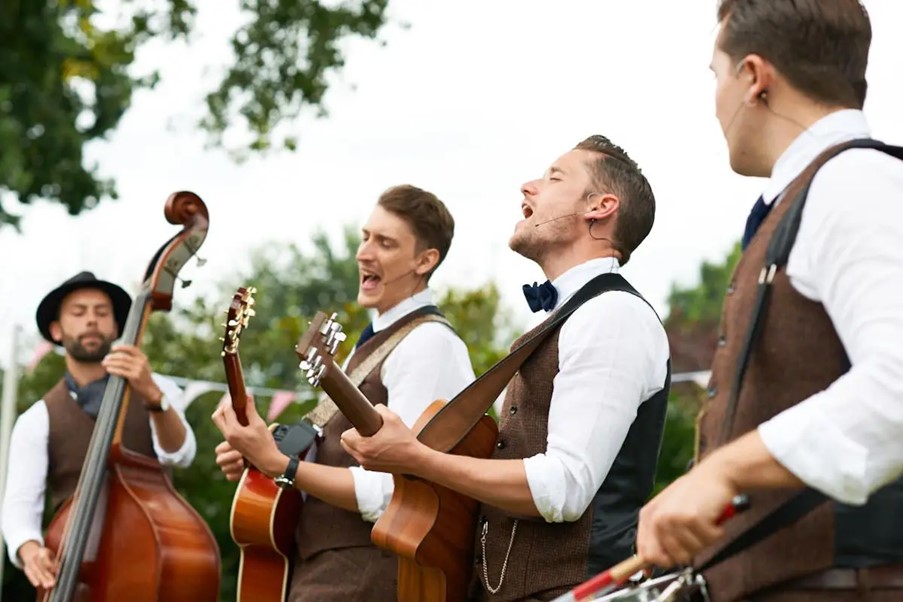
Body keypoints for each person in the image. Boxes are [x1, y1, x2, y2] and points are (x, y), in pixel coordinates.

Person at [636, 1, 903, 600]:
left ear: (754, 78)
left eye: (716, 75)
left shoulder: (853, 182)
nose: (715, 102)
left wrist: (727, 468)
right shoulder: (815, 193)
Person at [341, 135, 671, 601]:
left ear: (600, 207)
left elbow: (565, 487)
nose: (528, 187)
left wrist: (418, 459)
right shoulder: (566, 317)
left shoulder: (614, 315)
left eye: (553, 178)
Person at [212, 184, 475, 601]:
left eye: (385, 243)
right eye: (365, 237)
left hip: (370, 578)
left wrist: (281, 464)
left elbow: (399, 491)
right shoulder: (377, 340)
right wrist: (260, 453)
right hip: (326, 573)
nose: (363, 253)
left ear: (425, 260)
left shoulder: (429, 344)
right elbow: (335, 456)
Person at [1, 271, 197, 591]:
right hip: (75, 575)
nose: (91, 320)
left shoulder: (158, 387)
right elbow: (19, 505)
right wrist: (30, 549)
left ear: (116, 327)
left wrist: (152, 396)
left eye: (102, 312)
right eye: (79, 313)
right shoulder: (37, 418)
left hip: (154, 563)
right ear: (56, 330)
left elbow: (180, 455)